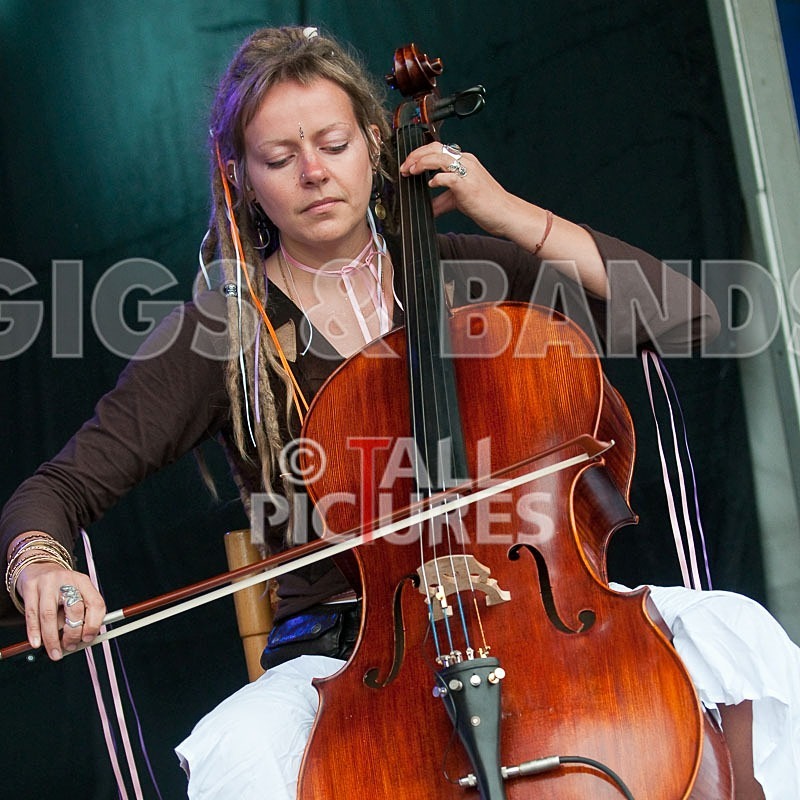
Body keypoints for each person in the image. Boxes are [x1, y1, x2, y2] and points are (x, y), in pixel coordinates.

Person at [1, 25, 798, 800]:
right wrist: (42, 565)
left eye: (334, 145)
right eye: (281, 157)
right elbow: (57, 490)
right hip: (351, 654)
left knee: (741, 636)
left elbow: (691, 317)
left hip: (539, 615)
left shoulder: (472, 277)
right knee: (238, 762)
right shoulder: (223, 334)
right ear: (243, 177)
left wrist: (510, 213)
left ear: (377, 146)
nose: (313, 172)